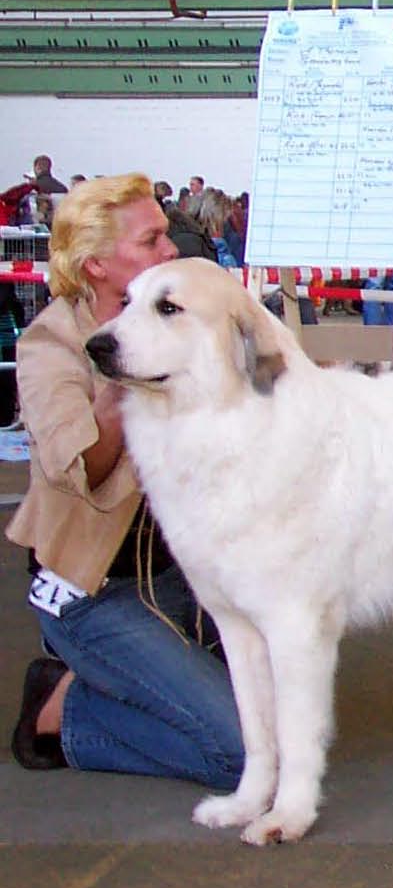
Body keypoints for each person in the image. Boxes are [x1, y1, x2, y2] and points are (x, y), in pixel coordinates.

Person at [8, 174, 244, 786]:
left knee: (288, 711)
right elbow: (76, 471)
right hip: (94, 595)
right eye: (152, 240)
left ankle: (140, 684)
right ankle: (60, 707)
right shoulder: (49, 345)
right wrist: (123, 369)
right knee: (241, 755)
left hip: (183, 577)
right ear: (95, 265)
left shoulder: (185, 322)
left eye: (166, 234)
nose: (171, 250)